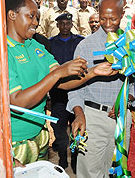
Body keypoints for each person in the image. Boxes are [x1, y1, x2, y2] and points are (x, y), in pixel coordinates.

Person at [5, 0, 117, 166]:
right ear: (12, 14)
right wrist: (57, 73)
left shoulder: (36, 46)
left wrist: (94, 72)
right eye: (31, 16)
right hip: (14, 142)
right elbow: (17, 103)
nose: (36, 22)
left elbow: (62, 83)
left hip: (39, 134)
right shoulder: (3, 51)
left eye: (37, 16)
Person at [67, 0, 132, 178]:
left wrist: (125, 101)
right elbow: (74, 87)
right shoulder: (85, 46)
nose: (107, 23)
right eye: (103, 18)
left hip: (121, 119)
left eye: (113, 18)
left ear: (123, 14)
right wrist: (79, 113)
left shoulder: (133, 44)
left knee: (117, 171)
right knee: (90, 173)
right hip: (93, 119)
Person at [49, 13, 85, 172]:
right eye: (62, 24)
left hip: (77, 90)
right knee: (59, 127)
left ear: (72, 25)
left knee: (77, 126)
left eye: (67, 23)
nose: (65, 27)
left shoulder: (80, 42)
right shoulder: (50, 44)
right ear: (57, 25)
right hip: (58, 93)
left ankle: (76, 158)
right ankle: (63, 158)